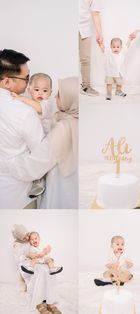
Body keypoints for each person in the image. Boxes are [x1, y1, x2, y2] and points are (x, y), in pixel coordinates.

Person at [1, 77, 78, 209]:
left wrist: (10, 164)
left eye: (59, 95)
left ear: (69, 98)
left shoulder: (63, 127)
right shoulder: (74, 119)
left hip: (61, 187)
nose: (55, 98)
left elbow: (38, 163)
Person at [0, 49, 48, 209]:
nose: (28, 82)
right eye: (26, 78)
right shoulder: (24, 112)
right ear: (7, 82)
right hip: (18, 195)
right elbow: (42, 154)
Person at [11, 73, 56, 198]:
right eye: (36, 90)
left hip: (45, 138)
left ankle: (39, 181)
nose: (40, 93)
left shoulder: (47, 103)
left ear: (50, 92)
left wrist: (22, 99)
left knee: (40, 159)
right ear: (29, 90)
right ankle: (34, 177)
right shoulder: (28, 102)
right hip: (32, 137)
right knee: (31, 157)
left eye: (45, 90)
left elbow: (39, 108)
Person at [12, 224, 61, 313]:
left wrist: (46, 249)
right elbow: (18, 258)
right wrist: (27, 255)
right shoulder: (17, 245)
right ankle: (39, 301)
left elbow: (39, 245)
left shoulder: (32, 237)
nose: (27, 238)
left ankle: (49, 299)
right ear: (18, 237)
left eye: (27, 235)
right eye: (24, 237)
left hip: (37, 259)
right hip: (26, 264)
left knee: (48, 270)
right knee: (39, 272)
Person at [79, 0, 103, 96]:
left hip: (84, 28)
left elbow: (95, 14)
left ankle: (86, 87)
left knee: (86, 59)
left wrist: (99, 33)